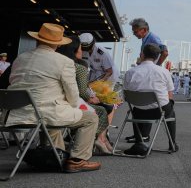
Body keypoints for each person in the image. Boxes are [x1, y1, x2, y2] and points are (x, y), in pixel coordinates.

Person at [3, 23, 100, 173]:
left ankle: (55, 156)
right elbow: (73, 97)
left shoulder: (20, 58)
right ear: (58, 44)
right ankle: (78, 160)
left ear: (37, 40)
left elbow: (12, 83)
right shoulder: (64, 62)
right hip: (44, 115)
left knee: (52, 117)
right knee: (90, 118)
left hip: (15, 115)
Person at [56, 36, 113, 155]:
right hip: (67, 107)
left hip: (47, 107)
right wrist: (91, 98)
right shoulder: (79, 67)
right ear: (75, 50)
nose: (83, 51)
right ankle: (87, 145)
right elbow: (82, 92)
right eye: (81, 48)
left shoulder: (55, 63)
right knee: (102, 110)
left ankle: (100, 139)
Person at [122, 44, 177, 155]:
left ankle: (139, 143)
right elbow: (170, 93)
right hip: (159, 111)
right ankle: (172, 144)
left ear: (142, 55)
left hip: (139, 112)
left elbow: (126, 95)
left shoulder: (130, 72)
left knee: (136, 109)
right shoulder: (164, 72)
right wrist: (170, 103)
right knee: (171, 112)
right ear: (157, 57)